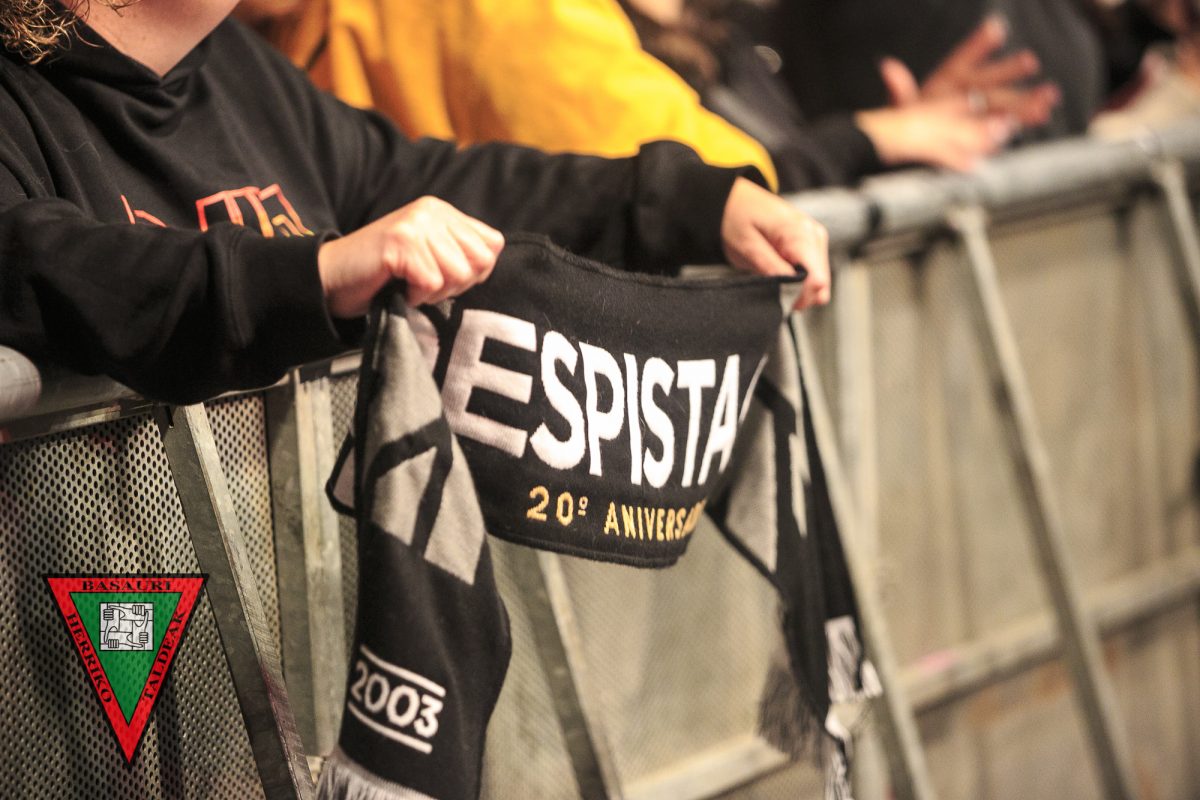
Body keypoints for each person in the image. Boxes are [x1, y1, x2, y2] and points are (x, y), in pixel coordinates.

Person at [0, 0, 829, 406]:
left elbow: (421, 177)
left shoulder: (237, 70)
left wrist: (684, 201)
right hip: (104, 658)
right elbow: (37, 259)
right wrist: (316, 276)